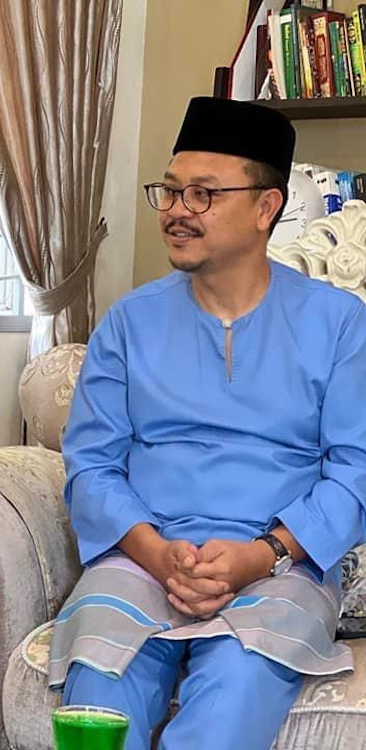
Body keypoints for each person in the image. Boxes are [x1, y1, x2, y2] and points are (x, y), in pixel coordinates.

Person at [48, 96, 366, 750]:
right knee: (98, 701)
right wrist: (158, 553)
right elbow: (93, 467)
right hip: (143, 558)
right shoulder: (129, 324)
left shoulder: (338, 325)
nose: (175, 212)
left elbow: (356, 469)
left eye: (201, 194)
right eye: (168, 191)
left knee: (235, 692)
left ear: (265, 207)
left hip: (281, 567)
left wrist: (261, 554)